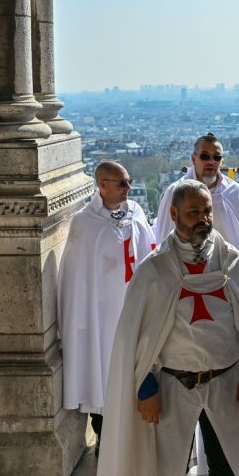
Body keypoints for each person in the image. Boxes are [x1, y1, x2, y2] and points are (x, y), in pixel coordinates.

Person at [95, 180, 239, 476]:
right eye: (194, 212)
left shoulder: (231, 262)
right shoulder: (155, 270)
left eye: (207, 211)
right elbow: (135, 337)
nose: (203, 219)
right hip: (172, 387)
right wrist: (146, 388)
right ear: (174, 214)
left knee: (225, 465)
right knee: (171, 471)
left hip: (226, 381)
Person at [57, 160, 156, 455]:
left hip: (136, 308)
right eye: (122, 183)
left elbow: (150, 255)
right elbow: (76, 277)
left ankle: (138, 437)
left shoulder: (136, 214)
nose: (129, 188)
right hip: (101, 317)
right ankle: (105, 438)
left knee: (140, 368)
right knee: (104, 372)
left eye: (128, 182)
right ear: (102, 185)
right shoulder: (85, 224)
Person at [156, 133, 239, 339]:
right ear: (193, 158)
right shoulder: (174, 193)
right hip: (187, 282)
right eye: (205, 156)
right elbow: (163, 242)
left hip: (230, 284)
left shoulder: (235, 193)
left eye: (217, 157)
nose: (211, 162)